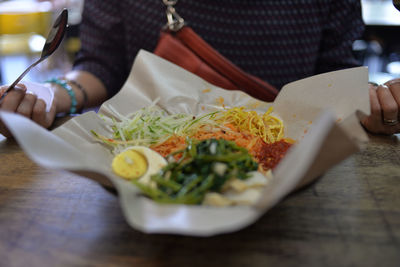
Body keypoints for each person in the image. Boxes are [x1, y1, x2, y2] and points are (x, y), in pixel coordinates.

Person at [0, 0, 399, 137]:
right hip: (144, 165)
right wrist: (51, 94)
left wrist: (374, 104)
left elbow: (334, 75)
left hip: (290, 164)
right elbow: (101, 67)